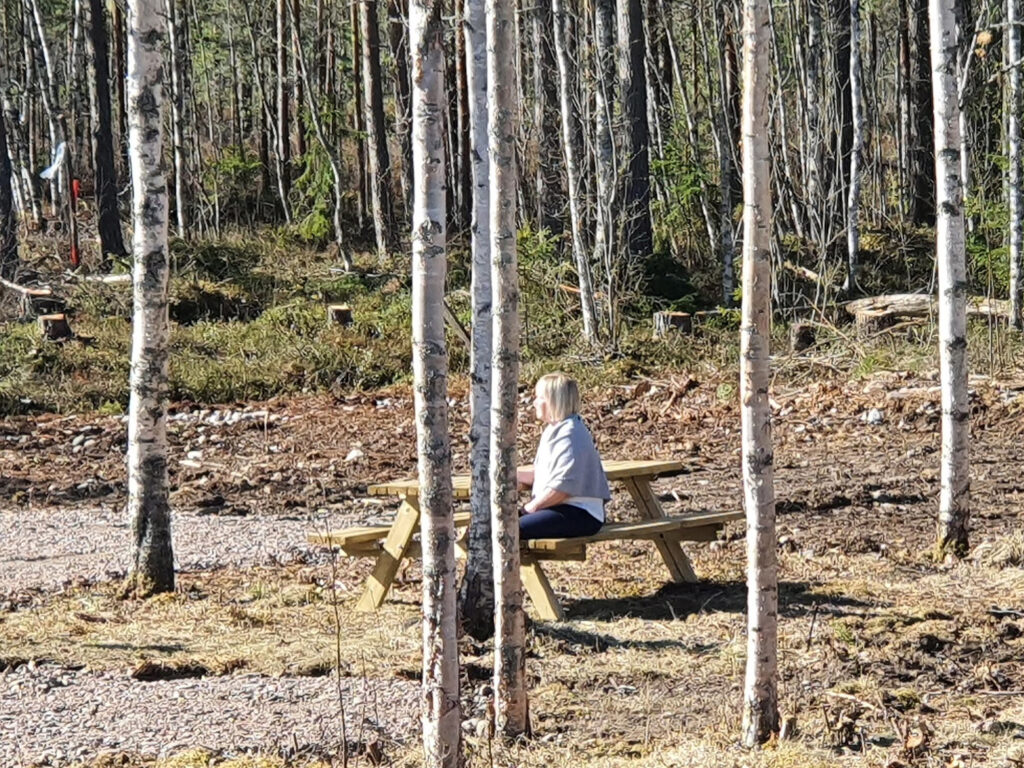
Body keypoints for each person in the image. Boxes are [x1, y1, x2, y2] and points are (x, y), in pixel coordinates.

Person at [517, 373, 611, 539]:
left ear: (554, 400)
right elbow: (546, 474)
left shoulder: (570, 433)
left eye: (539, 397)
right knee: (499, 525)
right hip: (560, 508)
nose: (534, 402)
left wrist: (530, 507)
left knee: (508, 530)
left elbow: (564, 486)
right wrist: (509, 474)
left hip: (580, 513)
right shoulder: (555, 429)